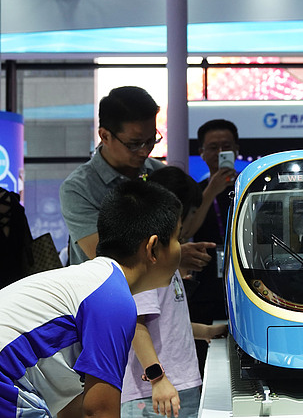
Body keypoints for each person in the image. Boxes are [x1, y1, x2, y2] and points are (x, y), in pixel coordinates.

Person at [0, 179, 182, 418]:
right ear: (153, 248)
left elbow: (72, 408)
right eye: (180, 237)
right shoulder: (113, 299)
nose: (183, 248)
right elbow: (99, 412)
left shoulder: (93, 282)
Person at [59, 86, 212, 272]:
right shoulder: (79, 188)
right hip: (103, 296)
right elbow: (105, 257)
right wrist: (173, 257)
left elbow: (182, 231)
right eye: (134, 144)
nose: (145, 150)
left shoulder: (159, 172)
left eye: (151, 140)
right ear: (105, 136)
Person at [121, 167, 227, 418]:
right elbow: (135, 325)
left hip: (177, 385)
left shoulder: (167, 262)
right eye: (190, 213)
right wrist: (157, 379)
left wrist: (208, 332)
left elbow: (168, 324)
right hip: (155, 393)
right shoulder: (148, 261)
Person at [187, 119, 239, 371]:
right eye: (212, 147)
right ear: (202, 153)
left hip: (244, 279)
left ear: (236, 150)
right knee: (204, 356)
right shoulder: (194, 192)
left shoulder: (251, 186)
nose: (219, 153)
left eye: (226, 147)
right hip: (206, 283)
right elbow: (187, 231)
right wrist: (209, 192)